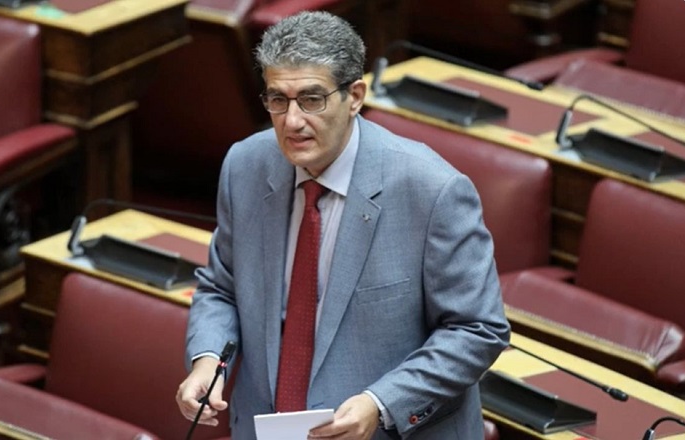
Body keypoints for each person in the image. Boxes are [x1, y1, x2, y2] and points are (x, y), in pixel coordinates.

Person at [176, 10, 510, 440]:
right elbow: (222, 288)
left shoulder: (433, 190)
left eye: (311, 99)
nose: (292, 121)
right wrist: (208, 361)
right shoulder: (245, 165)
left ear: (354, 96)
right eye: (278, 99)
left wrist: (381, 402)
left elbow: (477, 329)